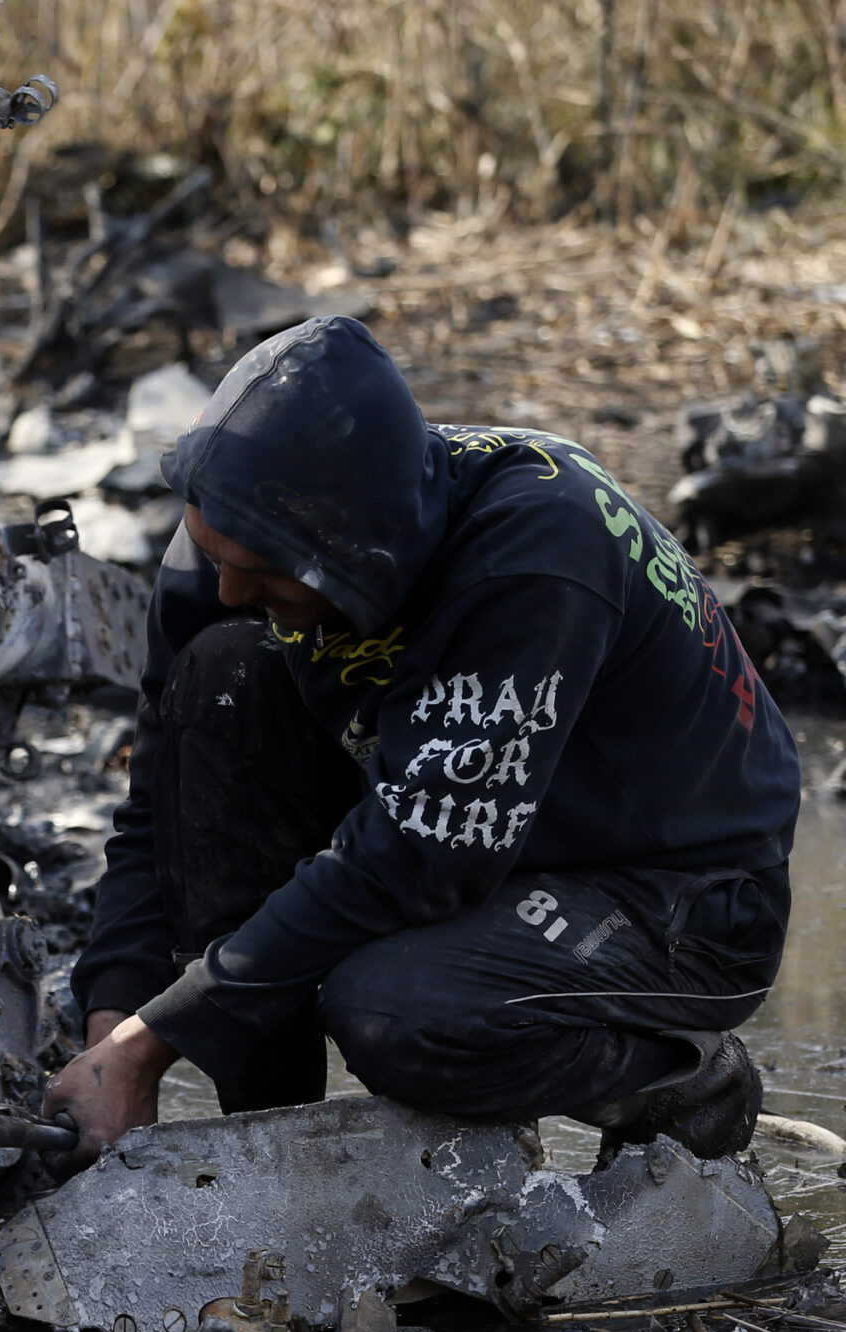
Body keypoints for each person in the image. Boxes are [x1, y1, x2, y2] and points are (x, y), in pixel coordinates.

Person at [43, 317, 798, 1169]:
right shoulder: (232, 537)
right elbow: (158, 813)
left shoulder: (535, 551)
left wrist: (155, 1041)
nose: (226, 584)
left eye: (263, 569)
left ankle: (682, 1081)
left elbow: (413, 858)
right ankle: (261, 1140)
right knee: (221, 679)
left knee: (398, 1011)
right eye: (214, 551)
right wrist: (113, 1033)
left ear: (365, 547)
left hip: (681, 892)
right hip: (471, 822)